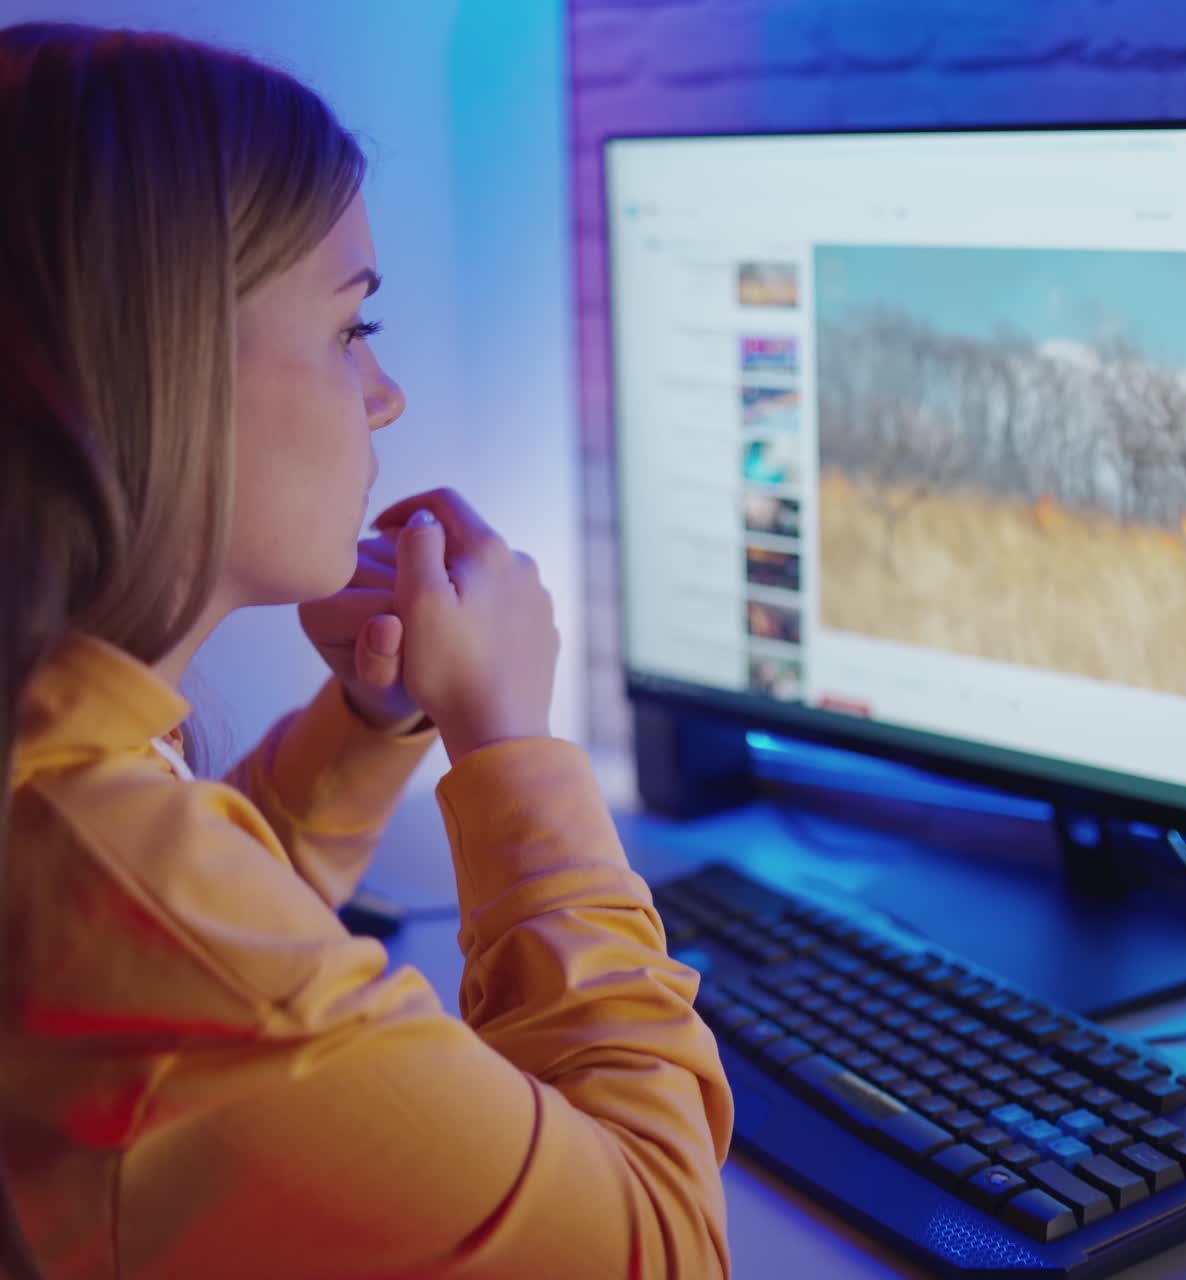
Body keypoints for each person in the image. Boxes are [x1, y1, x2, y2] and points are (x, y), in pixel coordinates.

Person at [0, 22, 732, 1279]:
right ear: (159, 365)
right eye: (351, 329)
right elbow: (664, 1246)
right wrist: (508, 743)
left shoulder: (59, 765)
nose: (385, 392)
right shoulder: (119, 884)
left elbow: (193, 915)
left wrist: (375, 714)